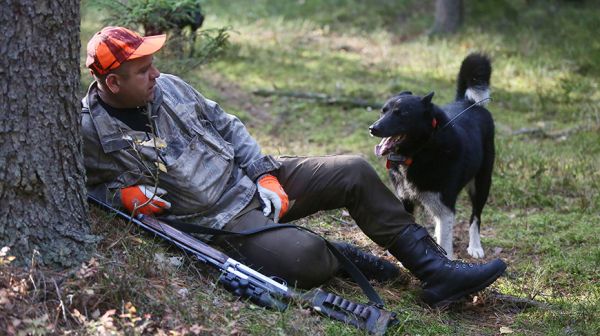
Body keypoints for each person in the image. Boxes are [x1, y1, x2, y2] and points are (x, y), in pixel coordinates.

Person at [81, 26, 507, 307]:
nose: (155, 73)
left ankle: (437, 272)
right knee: (307, 259)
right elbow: (76, 187)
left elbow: (226, 124)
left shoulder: (168, 86)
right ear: (113, 83)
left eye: (153, 63)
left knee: (354, 170)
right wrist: (120, 196)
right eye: (142, 70)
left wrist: (264, 171)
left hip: (253, 181)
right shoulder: (90, 132)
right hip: (220, 223)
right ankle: (339, 257)